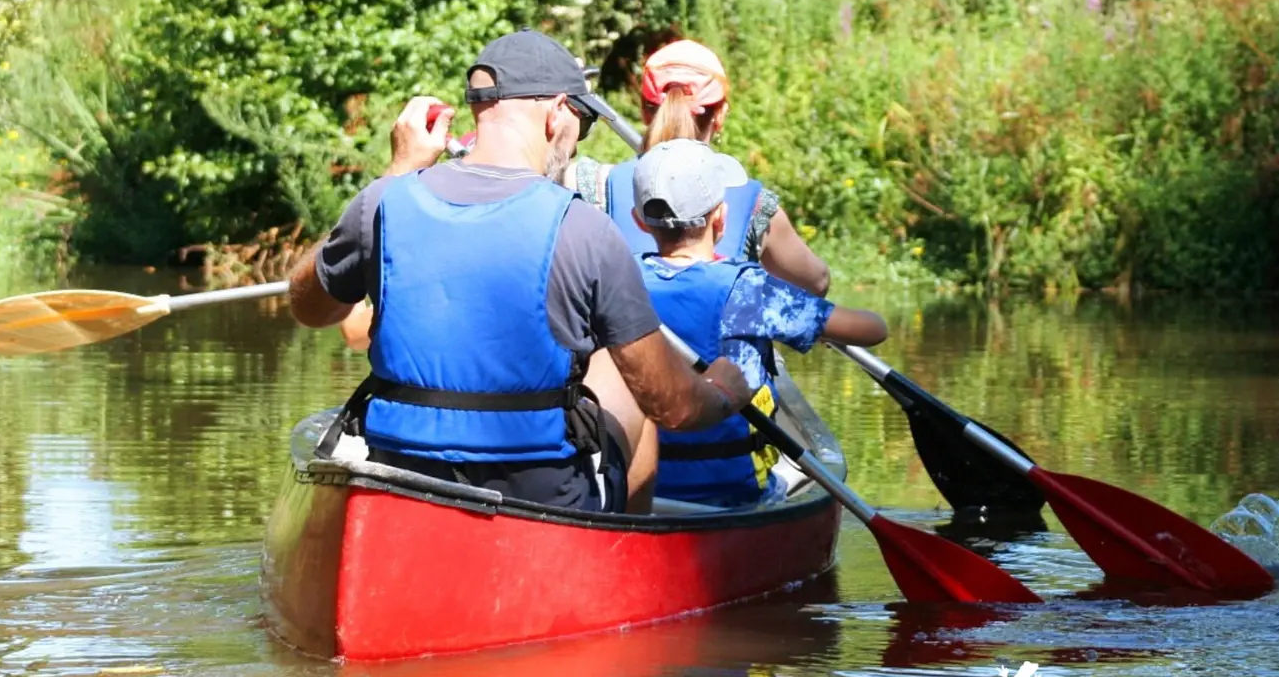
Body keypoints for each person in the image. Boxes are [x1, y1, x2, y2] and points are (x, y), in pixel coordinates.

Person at [287, 29, 752, 514]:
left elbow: (310, 309)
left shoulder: (383, 201)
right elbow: (673, 405)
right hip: (539, 499)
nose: (576, 143)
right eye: (582, 123)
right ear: (556, 113)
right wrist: (723, 391)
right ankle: (622, 555)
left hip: (402, 479)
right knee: (623, 371)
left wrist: (396, 170)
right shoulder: (585, 229)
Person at [628, 138, 888, 507]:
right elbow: (872, 330)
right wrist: (811, 328)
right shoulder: (749, 289)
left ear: (639, 221)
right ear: (721, 217)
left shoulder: (618, 278)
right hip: (734, 495)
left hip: (644, 493)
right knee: (784, 478)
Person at [571, 39, 831, 295]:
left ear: (644, 111)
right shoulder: (755, 204)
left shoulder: (593, 184)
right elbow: (817, 282)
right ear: (720, 115)